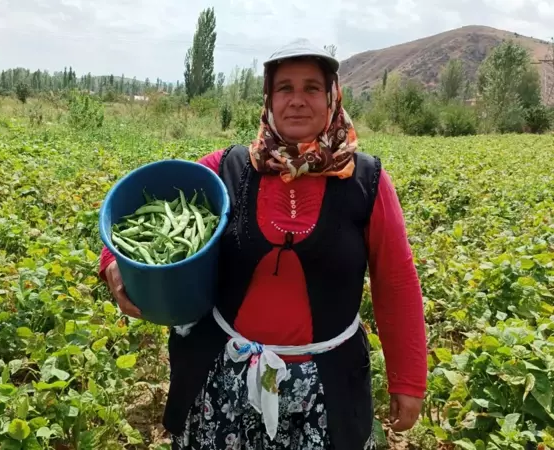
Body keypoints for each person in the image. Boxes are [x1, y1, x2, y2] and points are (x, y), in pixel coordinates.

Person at [99, 39, 427, 450]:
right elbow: (134, 212)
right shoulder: (228, 168)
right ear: (269, 99)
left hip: (324, 389)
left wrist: (409, 378)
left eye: (311, 88)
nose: (297, 100)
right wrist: (112, 259)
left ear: (332, 98)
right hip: (225, 379)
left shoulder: (366, 182)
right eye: (284, 88)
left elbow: (396, 283)